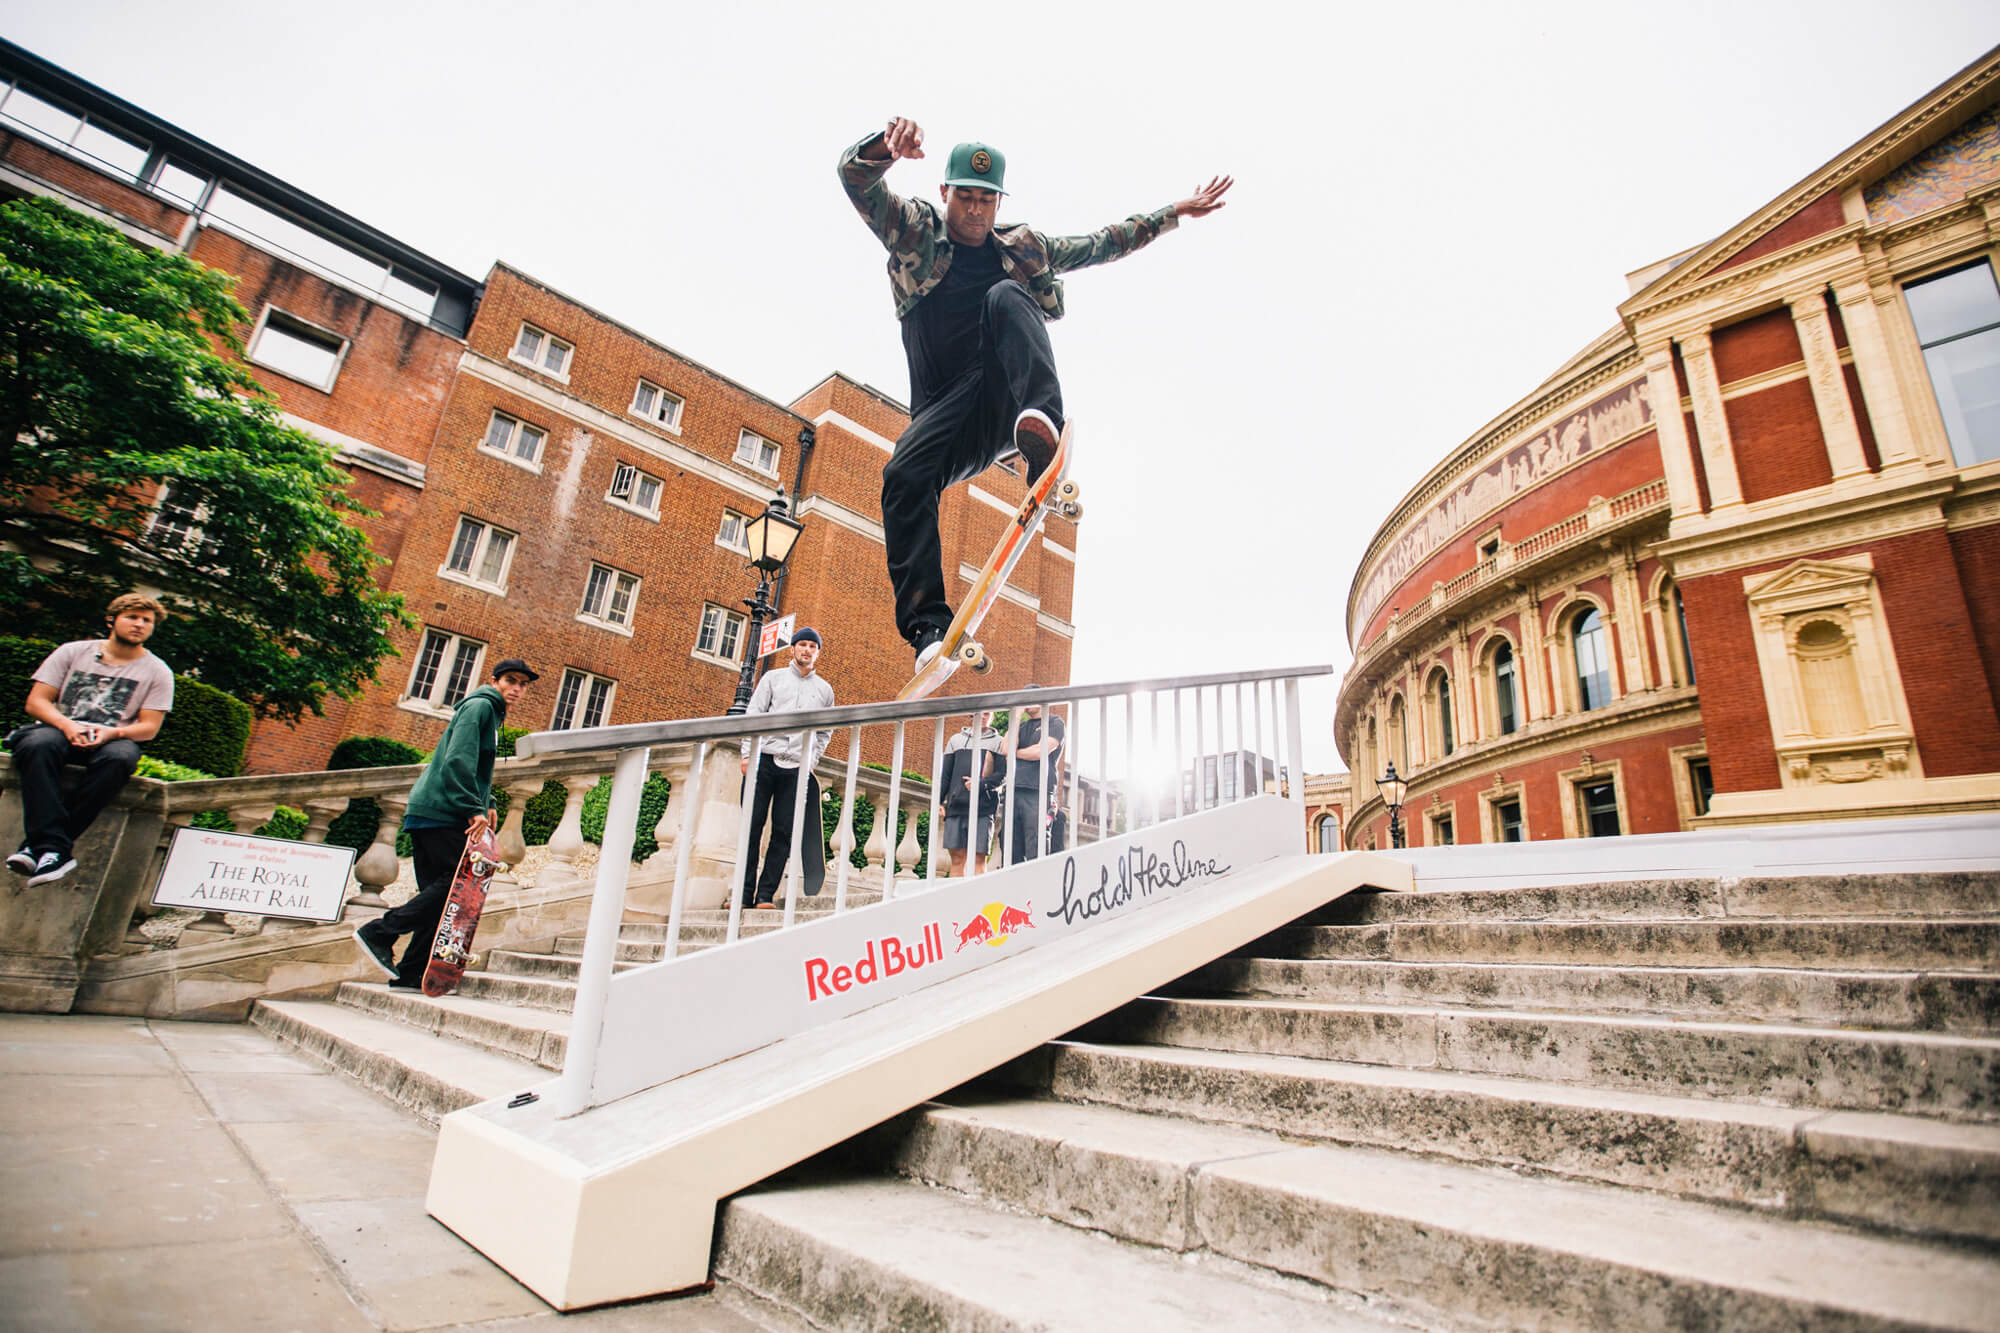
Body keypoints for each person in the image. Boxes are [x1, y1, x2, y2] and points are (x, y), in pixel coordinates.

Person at [838, 118, 1232, 666]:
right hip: (946, 416)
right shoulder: (914, 232)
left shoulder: (1024, 248)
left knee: (1007, 296)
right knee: (902, 476)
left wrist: (1172, 214)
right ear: (945, 192)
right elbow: (856, 180)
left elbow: (1101, 243)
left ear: (1000, 202)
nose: (976, 212)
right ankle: (929, 629)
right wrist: (886, 148)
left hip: (1006, 407)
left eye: (987, 201)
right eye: (966, 199)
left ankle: (1043, 434)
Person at [354, 658, 536, 990]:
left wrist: (488, 802)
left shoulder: (492, 714)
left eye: (523, 684)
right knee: (459, 886)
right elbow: (457, 759)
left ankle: (411, 973)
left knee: (440, 897)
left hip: (436, 811)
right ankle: (379, 931)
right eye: (511, 680)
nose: (517, 689)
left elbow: (478, 768)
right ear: (493, 680)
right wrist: (472, 807)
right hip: (442, 811)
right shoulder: (480, 707)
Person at [7, 593, 175, 887]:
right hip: (57, 730)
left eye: (146, 621)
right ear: (112, 620)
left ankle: (39, 848)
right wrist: (66, 724)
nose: (139, 625)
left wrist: (113, 732)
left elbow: (148, 728)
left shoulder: (158, 671)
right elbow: (37, 702)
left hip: (111, 738)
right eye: (132, 617)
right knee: (37, 745)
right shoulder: (73, 652)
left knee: (121, 758)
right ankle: (55, 850)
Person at [739, 629, 836, 909]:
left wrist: (811, 761)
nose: (806, 650)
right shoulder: (773, 679)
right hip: (764, 761)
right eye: (802, 645)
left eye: (812, 646)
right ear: (792, 649)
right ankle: (744, 894)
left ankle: (765, 895)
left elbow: (824, 732)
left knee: (783, 832)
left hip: (796, 768)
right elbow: (753, 716)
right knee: (751, 828)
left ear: (818, 652)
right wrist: (747, 755)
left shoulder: (824, 691)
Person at [938, 710, 1003, 876]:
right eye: (978, 713)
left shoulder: (999, 742)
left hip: (984, 808)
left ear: (992, 717)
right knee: (957, 858)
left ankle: (977, 901)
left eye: (987, 714)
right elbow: (945, 775)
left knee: (978, 858)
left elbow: (1003, 775)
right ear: (971, 716)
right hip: (956, 806)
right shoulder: (955, 740)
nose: (982, 717)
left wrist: (980, 784)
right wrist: (939, 802)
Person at [1007, 695, 1066, 863]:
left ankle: (1038, 886)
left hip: (1038, 791)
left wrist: (1015, 753)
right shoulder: (1020, 726)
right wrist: (1017, 717)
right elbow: (1005, 748)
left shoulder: (1055, 723)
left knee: (1037, 844)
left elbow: (1039, 752)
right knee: (1009, 845)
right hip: (1014, 790)